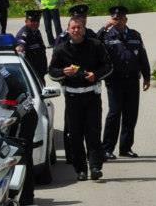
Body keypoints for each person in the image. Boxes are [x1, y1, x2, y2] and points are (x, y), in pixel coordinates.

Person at [47, 10, 110, 182]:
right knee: (75, 135)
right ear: (68, 30)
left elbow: (108, 66)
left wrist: (95, 75)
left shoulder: (95, 45)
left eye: (79, 27)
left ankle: (95, 167)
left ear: (84, 29)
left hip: (92, 96)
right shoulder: (61, 50)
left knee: (93, 133)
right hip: (73, 98)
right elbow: (52, 71)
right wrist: (63, 72)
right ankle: (80, 170)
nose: (76, 30)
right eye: (73, 28)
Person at [98, 6, 151, 159]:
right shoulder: (106, 36)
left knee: (131, 114)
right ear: (111, 20)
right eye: (115, 19)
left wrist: (147, 76)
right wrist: (104, 28)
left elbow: (142, 56)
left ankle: (126, 148)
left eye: (121, 18)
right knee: (114, 114)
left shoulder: (135, 35)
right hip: (115, 81)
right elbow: (93, 42)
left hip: (133, 80)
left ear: (126, 19)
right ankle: (107, 149)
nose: (118, 21)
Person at [13, 16, 48, 90]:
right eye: (32, 21)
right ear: (26, 22)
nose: (35, 23)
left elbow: (41, 48)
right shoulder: (24, 33)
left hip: (39, 68)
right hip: (32, 70)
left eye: (37, 21)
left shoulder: (36, 31)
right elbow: (21, 41)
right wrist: (20, 46)